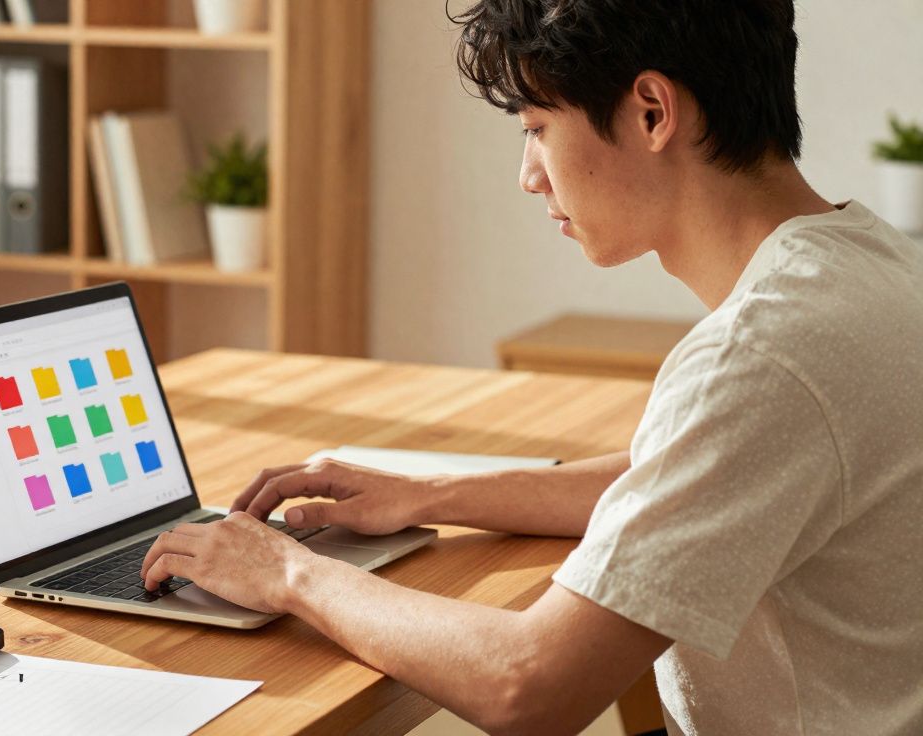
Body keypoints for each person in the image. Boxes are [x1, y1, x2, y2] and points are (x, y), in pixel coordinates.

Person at [140, 1, 923, 733]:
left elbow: (529, 685)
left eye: (538, 126)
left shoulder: (761, 355)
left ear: (653, 112)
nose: (529, 174)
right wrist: (432, 493)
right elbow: (693, 470)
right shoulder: (873, 266)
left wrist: (290, 574)